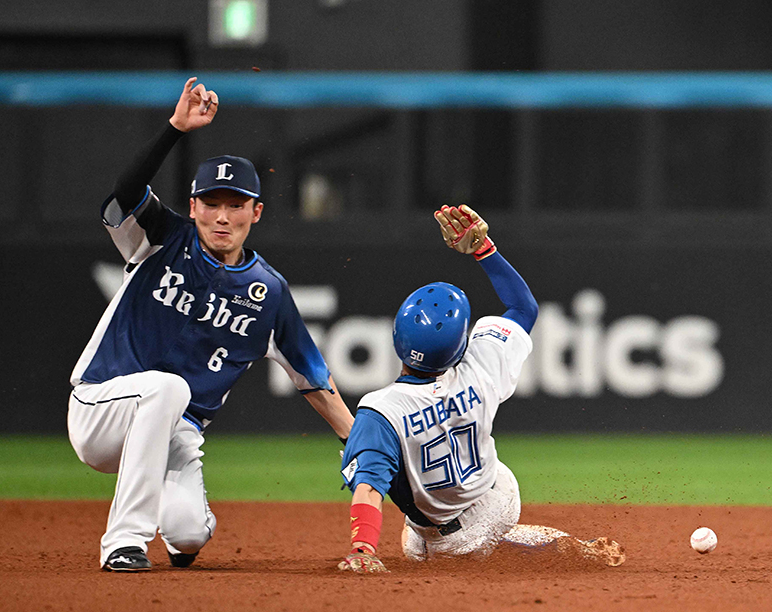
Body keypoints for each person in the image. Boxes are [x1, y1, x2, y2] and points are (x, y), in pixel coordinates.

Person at [68, 78, 353, 572]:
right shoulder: (160, 237)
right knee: (166, 389)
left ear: (255, 212)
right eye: (212, 203)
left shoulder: (270, 293)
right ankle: (123, 541)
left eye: (235, 204)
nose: (222, 216)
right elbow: (125, 194)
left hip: (175, 431)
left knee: (189, 534)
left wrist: (359, 442)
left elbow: (315, 380)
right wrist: (175, 128)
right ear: (194, 205)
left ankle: (177, 529)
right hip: (100, 408)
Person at [337, 204, 625, 573]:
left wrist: (362, 550)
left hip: (440, 538)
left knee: (428, 541)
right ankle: (563, 548)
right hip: (493, 492)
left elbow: (368, 489)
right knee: (474, 526)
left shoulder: (380, 411)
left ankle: (564, 550)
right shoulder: (480, 364)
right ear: (460, 346)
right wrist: (484, 249)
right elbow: (523, 308)